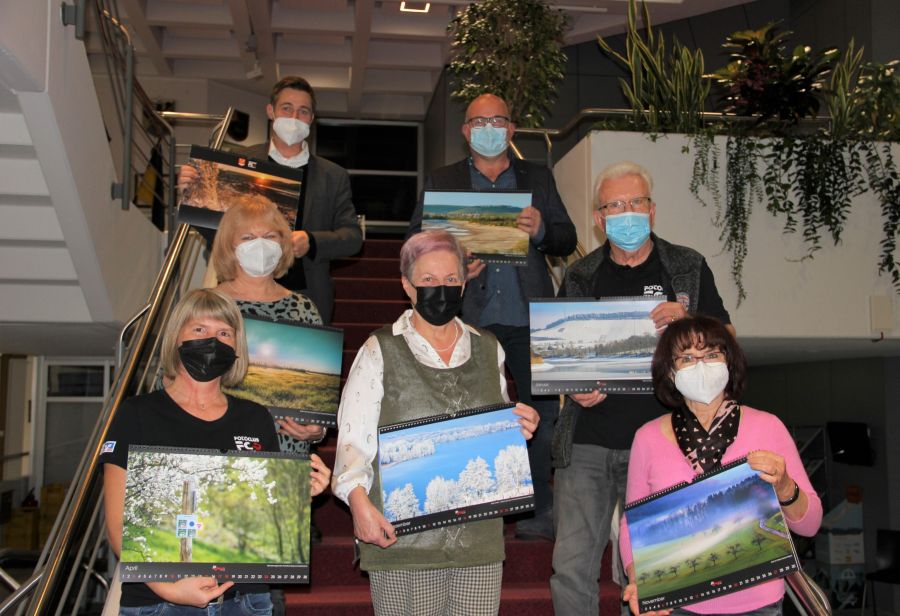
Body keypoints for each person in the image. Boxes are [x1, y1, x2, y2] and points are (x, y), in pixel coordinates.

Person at [550, 161, 734, 615]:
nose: (626, 212)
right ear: (599, 218)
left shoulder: (687, 266)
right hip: (588, 441)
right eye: (615, 205)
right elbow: (556, 351)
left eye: (635, 203)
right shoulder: (579, 276)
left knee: (662, 564)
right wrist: (574, 386)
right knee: (571, 567)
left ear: (652, 212)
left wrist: (688, 324)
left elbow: (728, 342)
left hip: (665, 440)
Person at [331, 229, 540, 616]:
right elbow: (352, 441)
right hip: (404, 539)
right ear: (407, 286)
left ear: (463, 285)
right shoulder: (380, 348)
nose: (439, 288)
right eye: (427, 280)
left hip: (478, 538)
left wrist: (518, 427)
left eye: (450, 280)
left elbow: (492, 426)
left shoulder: (488, 345)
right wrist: (359, 505)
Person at [407, 93, 576, 540]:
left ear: (511, 128)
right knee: (470, 411)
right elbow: (414, 244)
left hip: (529, 314)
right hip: (468, 314)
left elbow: (566, 236)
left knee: (541, 411)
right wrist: (452, 260)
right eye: (478, 121)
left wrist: (541, 229)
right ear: (465, 131)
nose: (488, 127)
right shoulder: (442, 179)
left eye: (497, 119)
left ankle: (539, 507)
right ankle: (474, 509)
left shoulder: (538, 177)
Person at [101, 288, 331, 615]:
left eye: (224, 333)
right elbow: (117, 525)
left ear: (237, 347)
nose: (213, 340)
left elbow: (262, 513)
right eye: (199, 329)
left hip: (247, 601)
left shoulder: (256, 417)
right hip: (159, 603)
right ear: (176, 337)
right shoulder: (136, 413)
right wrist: (170, 589)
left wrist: (299, 494)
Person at [620, 314, 823, 615]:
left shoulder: (768, 427)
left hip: (759, 604)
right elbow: (632, 524)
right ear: (670, 371)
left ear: (728, 362)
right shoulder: (647, 438)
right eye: (687, 357)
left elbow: (810, 524)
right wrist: (641, 579)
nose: (701, 365)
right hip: (678, 602)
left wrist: (783, 486)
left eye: (712, 354)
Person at [179, 75, 362, 323]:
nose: (294, 118)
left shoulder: (333, 175)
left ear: (311, 119)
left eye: (303, 111)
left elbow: (352, 237)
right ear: (271, 111)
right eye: (286, 109)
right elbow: (217, 231)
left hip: (306, 296)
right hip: (242, 292)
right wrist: (192, 192)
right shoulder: (240, 163)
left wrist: (312, 241)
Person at [210, 197, 325, 456]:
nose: (260, 245)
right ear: (229, 246)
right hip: (221, 449)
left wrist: (317, 429)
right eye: (248, 238)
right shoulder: (208, 306)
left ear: (283, 244)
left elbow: (317, 394)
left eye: (270, 236)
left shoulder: (303, 308)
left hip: (287, 451)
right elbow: (172, 380)